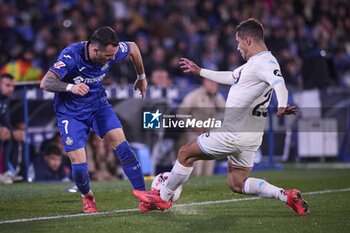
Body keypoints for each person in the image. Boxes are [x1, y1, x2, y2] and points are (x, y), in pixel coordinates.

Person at [133, 18, 309, 216]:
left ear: (248, 40)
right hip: (251, 136)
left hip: (234, 133)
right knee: (237, 183)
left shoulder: (265, 62)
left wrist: (282, 104)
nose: (237, 47)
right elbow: (231, 76)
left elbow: (279, 83)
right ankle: (286, 195)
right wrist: (200, 71)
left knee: (185, 153)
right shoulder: (254, 64)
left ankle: (163, 197)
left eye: (238, 42)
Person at [40, 26, 147, 213]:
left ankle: (145, 197)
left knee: (122, 145)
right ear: (95, 50)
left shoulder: (111, 51)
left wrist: (141, 76)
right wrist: (70, 87)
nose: (113, 59)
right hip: (71, 113)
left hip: (98, 106)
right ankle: (87, 197)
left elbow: (133, 48)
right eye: (108, 56)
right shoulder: (71, 56)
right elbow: (46, 82)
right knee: (79, 165)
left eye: (114, 54)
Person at [177, 78, 226, 176]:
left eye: (214, 82)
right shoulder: (194, 95)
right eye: (210, 82)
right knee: (197, 166)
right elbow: (180, 113)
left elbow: (224, 109)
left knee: (208, 167)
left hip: (211, 134)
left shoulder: (217, 96)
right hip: (195, 133)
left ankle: (205, 187)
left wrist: (215, 95)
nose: (213, 85)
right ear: (204, 82)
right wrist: (194, 125)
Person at [0, 73, 25, 184]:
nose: (11, 89)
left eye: (12, 86)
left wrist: (13, 131)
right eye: (7, 85)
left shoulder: (5, 99)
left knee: (9, 135)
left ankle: (7, 172)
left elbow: (5, 119)